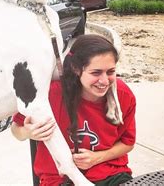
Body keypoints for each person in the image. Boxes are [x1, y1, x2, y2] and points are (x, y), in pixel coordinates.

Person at [11, 34, 136, 186]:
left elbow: (127, 143)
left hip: (110, 173)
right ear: (77, 69)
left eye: (110, 72)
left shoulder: (122, 95)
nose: (104, 81)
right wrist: (28, 132)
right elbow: (16, 130)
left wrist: (98, 157)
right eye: (96, 73)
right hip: (59, 178)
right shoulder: (51, 94)